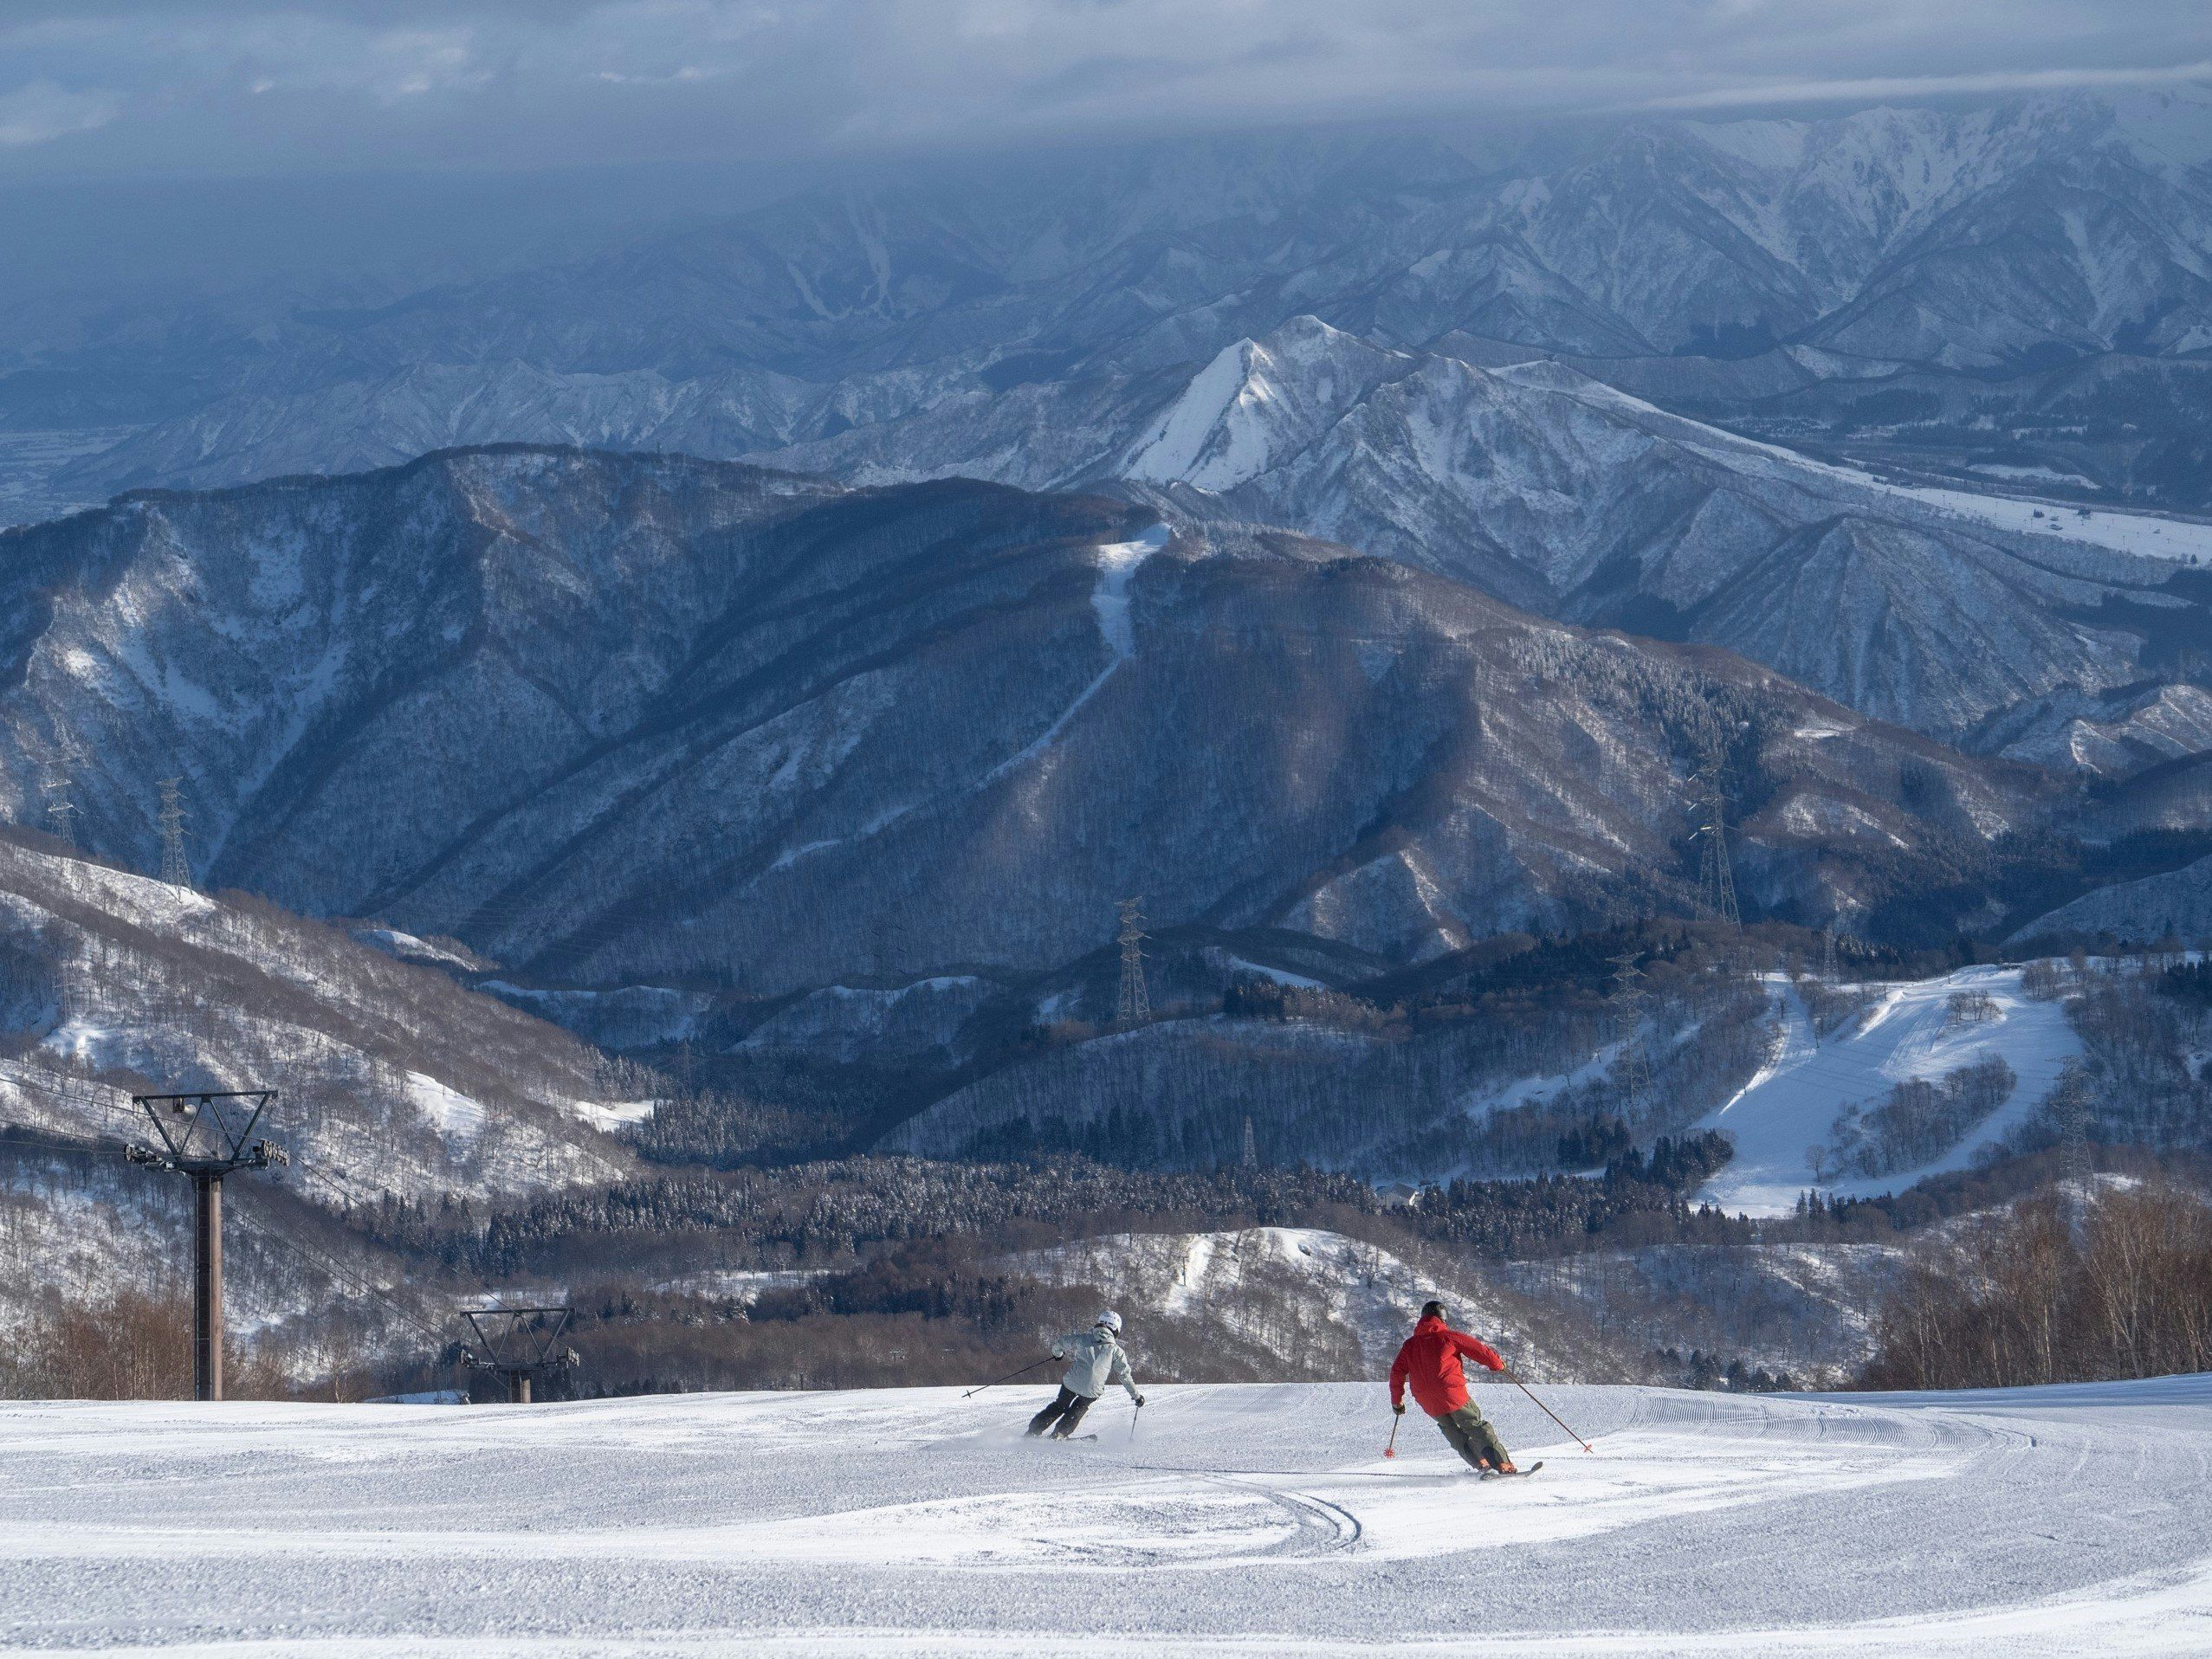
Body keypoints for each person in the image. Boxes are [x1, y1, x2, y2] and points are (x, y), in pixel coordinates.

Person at [1388, 1300, 1518, 1474]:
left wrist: (1397, 1401)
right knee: (1475, 1425)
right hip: (1451, 1392)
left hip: (1426, 1399)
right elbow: (1480, 1350)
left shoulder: (1410, 1345)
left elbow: (1397, 1372)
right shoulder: (1449, 1337)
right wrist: (1497, 1364)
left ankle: (1481, 1463)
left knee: (1452, 1431)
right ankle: (1503, 1464)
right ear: (1443, 1319)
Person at [1027, 1309, 1145, 1438]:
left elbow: (1062, 1342)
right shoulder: (1116, 1351)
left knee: (1060, 1405)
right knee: (1078, 1409)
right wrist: (1136, 1396)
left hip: (1072, 1382)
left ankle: (1033, 1430)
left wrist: (1058, 1354)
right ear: (1116, 1329)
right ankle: (1059, 1433)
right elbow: (1125, 1376)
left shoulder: (1083, 1339)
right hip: (1092, 1389)